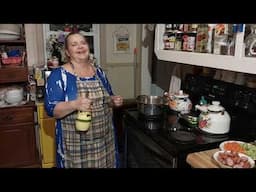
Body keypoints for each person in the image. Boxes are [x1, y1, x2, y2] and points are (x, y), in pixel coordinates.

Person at [44, 31, 123, 168]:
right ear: (68, 52)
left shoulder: (99, 72)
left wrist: (114, 101)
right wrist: (75, 104)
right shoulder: (58, 75)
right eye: (74, 44)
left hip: (104, 141)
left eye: (83, 43)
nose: (80, 47)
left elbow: (108, 98)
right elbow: (52, 110)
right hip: (75, 146)